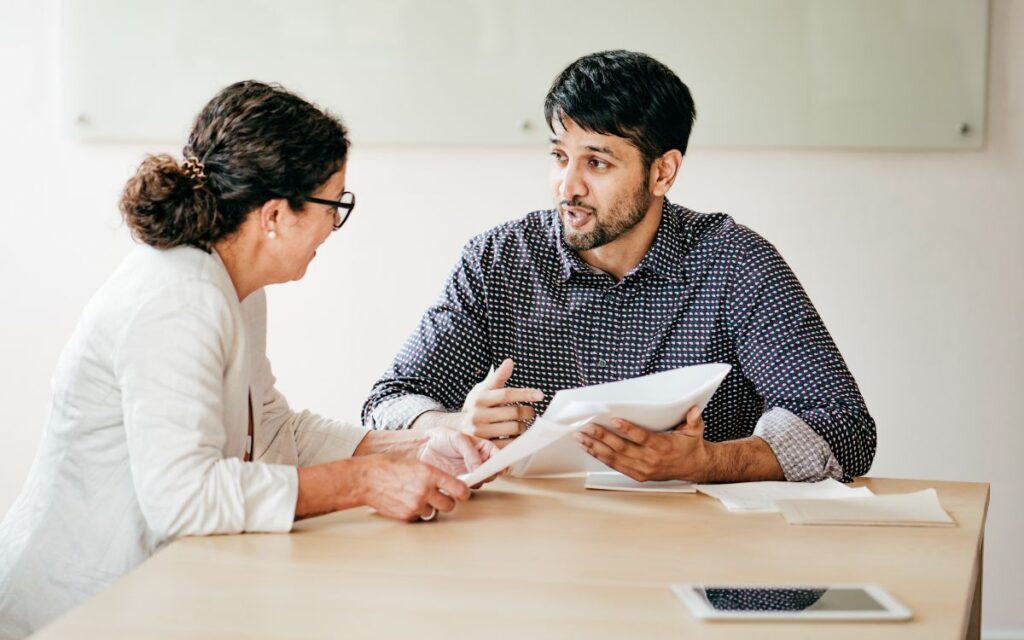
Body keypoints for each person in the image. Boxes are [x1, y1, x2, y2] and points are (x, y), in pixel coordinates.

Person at [0, 81, 493, 640]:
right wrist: (361, 481)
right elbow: (184, 499)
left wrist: (421, 447)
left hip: (157, 588)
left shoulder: (234, 286)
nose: (334, 227)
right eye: (334, 206)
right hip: (76, 609)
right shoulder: (177, 299)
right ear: (276, 215)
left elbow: (273, 431)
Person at [363, 50, 876, 484]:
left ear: (663, 172)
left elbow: (844, 429)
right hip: (537, 543)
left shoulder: (734, 263)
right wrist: (449, 423)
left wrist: (708, 462)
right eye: (559, 156)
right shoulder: (499, 259)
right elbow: (387, 402)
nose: (568, 186)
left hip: (695, 545)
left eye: (597, 162)